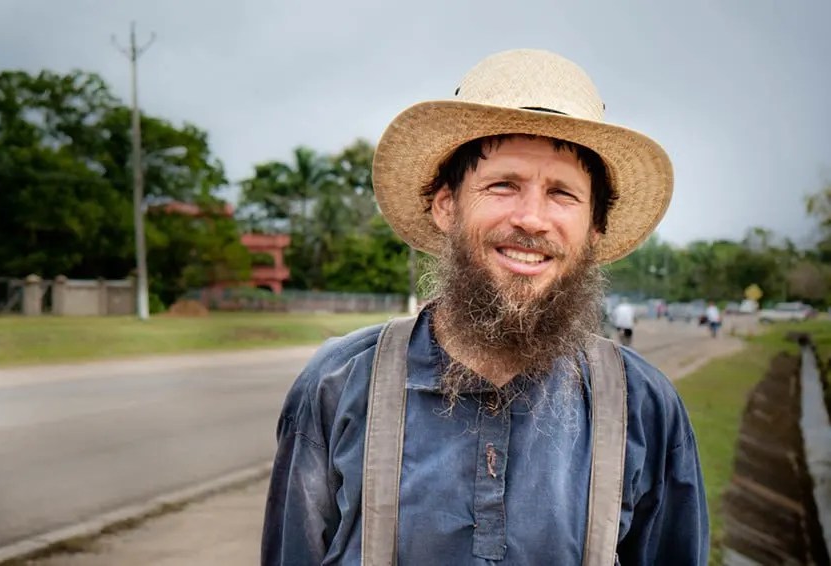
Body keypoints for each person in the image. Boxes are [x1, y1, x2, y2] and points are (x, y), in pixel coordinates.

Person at [262, 49, 708, 565]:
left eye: (562, 193)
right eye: (503, 185)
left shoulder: (645, 408)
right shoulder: (339, 385)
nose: (532, 219)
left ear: (594, 229)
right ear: (447, 205)